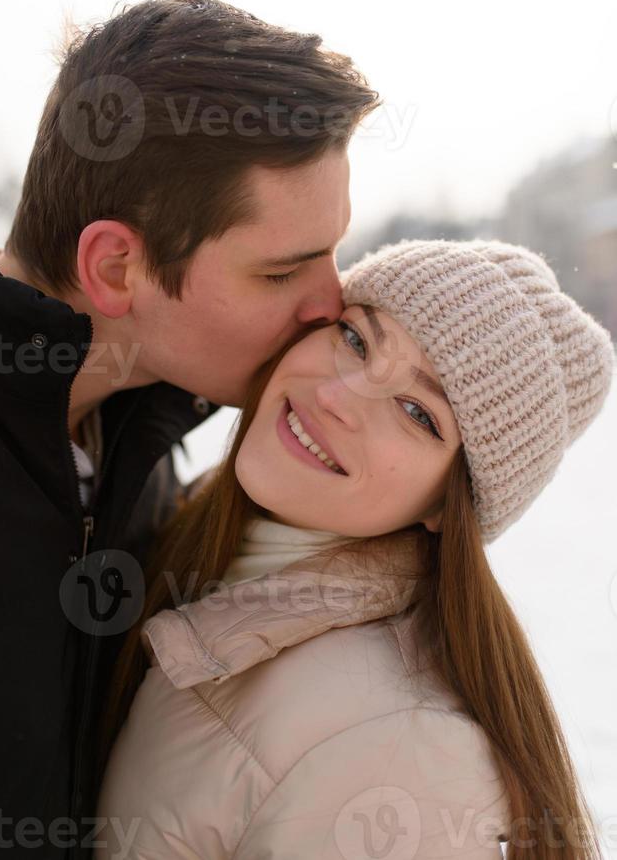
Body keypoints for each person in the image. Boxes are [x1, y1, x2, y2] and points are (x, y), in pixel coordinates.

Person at [0, 0, 380, 859]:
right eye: (282, 271)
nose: (331, 304)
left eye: (334, 251)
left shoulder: (136, 445)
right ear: (117, 266)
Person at [96, 238, 615, 860]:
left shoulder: (404, 752)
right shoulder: (181, 534)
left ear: (446, 509)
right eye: (356, 339)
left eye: (417, 413)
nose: (337, 396)